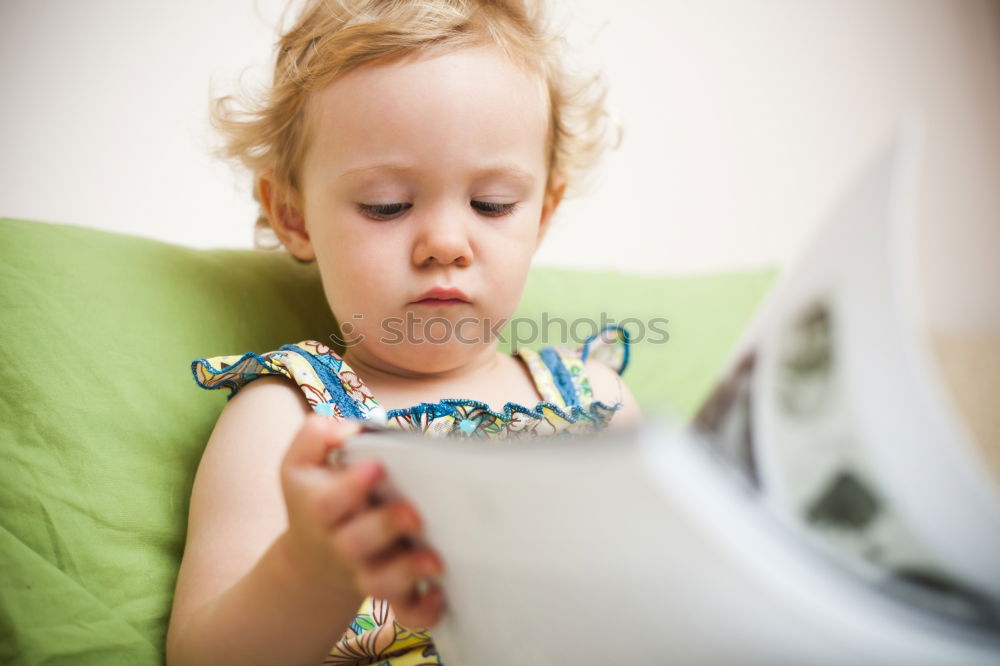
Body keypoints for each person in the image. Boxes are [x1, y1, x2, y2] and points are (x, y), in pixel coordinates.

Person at [166, 0, 641, 663]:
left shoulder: (599, 403)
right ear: (294, 216)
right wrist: (311, 570)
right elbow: (199, 657)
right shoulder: (290, 421)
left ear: (542, 212)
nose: (445, 242)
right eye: (386, 205)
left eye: (492, 204)